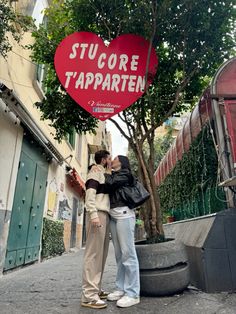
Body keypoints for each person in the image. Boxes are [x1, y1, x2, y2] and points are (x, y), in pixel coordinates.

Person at [104, 155, 140, 308]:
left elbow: (110, 184)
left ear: (122, 162)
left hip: (124, 215)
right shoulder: (114, 174)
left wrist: (106, 171)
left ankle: (133, 293)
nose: (112, 160)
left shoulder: (125, 173)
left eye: (115, 158)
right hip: (113, 216)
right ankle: (121, 288)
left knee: (128, 253)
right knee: (119, 255)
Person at [81, 150, 111, 309]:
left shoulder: (103, 173)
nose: (111, 160)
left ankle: (95, 290)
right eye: (109, 158)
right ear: (105, 159)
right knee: (93, 254)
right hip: (97, 213)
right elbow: (90, 193)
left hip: (103, 214)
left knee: (101, 254)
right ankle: (89, 296)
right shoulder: (95, 171)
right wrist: (93, 214)